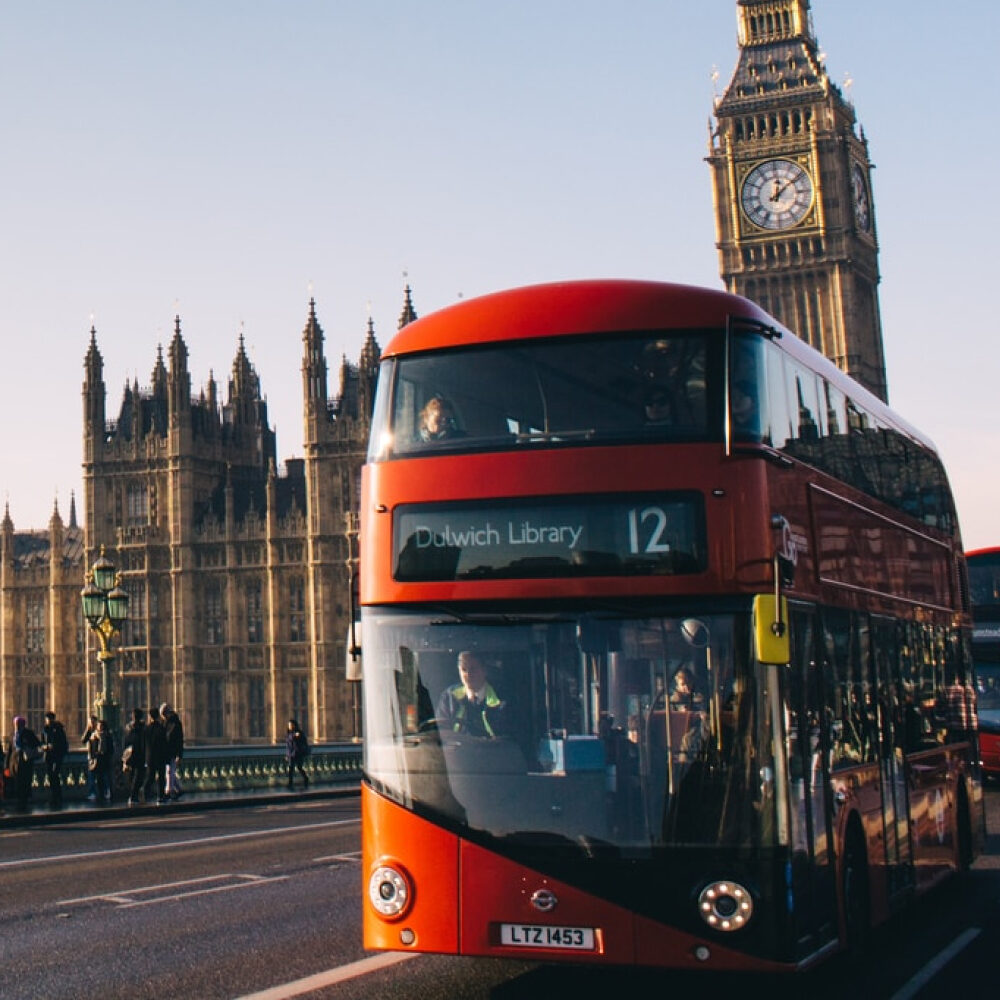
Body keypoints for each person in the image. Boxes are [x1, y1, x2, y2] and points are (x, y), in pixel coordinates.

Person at [436, 650, 506, 738]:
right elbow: (441, 732)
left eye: (473, 669)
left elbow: (506, 739)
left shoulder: (502, 700)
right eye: (464, 670)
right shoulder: (449, 697)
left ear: (484, 670)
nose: (468, 674)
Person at [7, 715, 41, 811]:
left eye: (18, 724)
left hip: (25, 762)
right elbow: (10, 751)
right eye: (15, 724)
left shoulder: (28, 733)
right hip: (14, 762)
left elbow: (37, 743)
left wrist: (27, 747)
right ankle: (19, 802)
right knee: (16, 783)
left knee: (25, 783)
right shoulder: (12, 735)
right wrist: (7, 766)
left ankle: (23, 802)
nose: (16, 725)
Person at [40, 710, 69, 809]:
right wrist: (44, 747)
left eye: (49, 719)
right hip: (48, 755)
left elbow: (63, 743)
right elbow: (42, 742)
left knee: (55, 774)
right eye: (47, 719)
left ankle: (57, 796)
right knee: (51, 776)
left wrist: (55, 746)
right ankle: (53, 796)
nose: (48, 721)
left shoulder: (59, 729)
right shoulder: (45, 729)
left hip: (57, 755)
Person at [143, 705, 169, 804]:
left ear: (150, 716)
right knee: (161, 777)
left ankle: (145, 792)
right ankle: (160, 797)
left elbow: (144, 744)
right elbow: (164, 744)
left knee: (150, 776)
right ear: (158, 716)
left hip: (149, 757)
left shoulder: (146, 729)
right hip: (160, 756)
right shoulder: (161, 728)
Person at [122, 707, 147, 805]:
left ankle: (134, 796)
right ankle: (134, 796)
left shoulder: (129, 728)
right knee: (138, 777)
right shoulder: (143, 728)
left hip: (131, 754)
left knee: (132, 777)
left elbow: (125, 742)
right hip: (140, 755)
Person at [161, 702, 185, 801]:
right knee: (169, 771)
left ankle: (169, 791)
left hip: (171, 752)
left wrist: (179, 755)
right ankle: (179, 789)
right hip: (168, 751)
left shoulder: (174, 723)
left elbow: (179, 740)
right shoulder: (167, 723)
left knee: (170, 771)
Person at [88, 718, 115, 804]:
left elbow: (111, 749)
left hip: (105, 759)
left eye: (101, 726)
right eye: (98, 725)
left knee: (106, 777)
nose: (99, 727)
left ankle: (107, 792)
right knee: (99, 778)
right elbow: (90, 747)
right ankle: (100, 794)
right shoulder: (93, 736)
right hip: (97, 759)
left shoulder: (107, 736)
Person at [285, 719, 310, 790]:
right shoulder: (289, 733)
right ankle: (290, 783)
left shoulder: (299, 733)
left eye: (290, 725)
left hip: (298, 753)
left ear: (294, 725)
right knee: (291, 769)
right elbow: (288, 746)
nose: (289, 726)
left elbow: (302, 741)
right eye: (289, 725)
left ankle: (305, 778)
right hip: (291, 754)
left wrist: (296, 736)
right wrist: (287, 755)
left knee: (299, 767)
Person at [81, 714, 100, 801]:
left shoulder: (99, 732)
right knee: (91, 777)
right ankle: (92, 793)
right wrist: (87, 730)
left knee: (100, 777)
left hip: (98, 757)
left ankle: (101, 792)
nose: (92, 724)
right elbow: (83, 740)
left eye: (93, 722)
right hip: (91, 757)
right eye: (90, 722)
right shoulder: (89, 732)